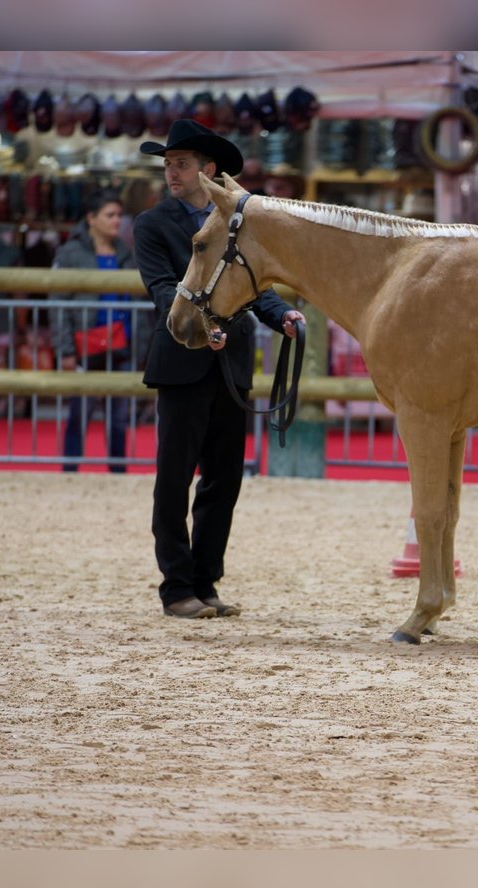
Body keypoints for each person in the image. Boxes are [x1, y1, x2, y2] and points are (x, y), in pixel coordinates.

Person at [135, 119, 305, 619]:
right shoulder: (152, 224)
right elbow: (162, 289)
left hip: (230, 364)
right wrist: (201, 325)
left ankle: (206, 581)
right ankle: (176, 586)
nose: (172, 173)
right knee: (174, 479)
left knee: (223, 479)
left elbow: (257, 287)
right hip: (182, 358)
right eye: (168, 165)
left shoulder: (237, 223)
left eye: (181, 164)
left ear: (209, 171)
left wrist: (283, 317)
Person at [51, 189, 139, 473]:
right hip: (84, 346)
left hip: (123, 345)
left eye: (118, 215)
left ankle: (117, 472)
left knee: (119, 418)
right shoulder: (69, 253)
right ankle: (70, 470)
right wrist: (64, 351)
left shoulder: (127, 253)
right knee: (79, 414)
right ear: (91, 218)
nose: (116, 221)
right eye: (109, 215)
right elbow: (58, 306)